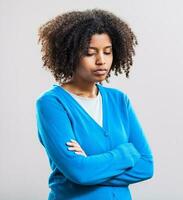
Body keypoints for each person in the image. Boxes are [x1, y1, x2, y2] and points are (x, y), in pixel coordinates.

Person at [35, 9, 154, 200]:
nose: (101, 61)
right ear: (70, 54)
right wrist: (126, 153)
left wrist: (91, 165)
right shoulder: (52, 104)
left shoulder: (119, 100)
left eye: (107, 52)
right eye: (90, 53)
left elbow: (146, 166)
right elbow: (79, 171)